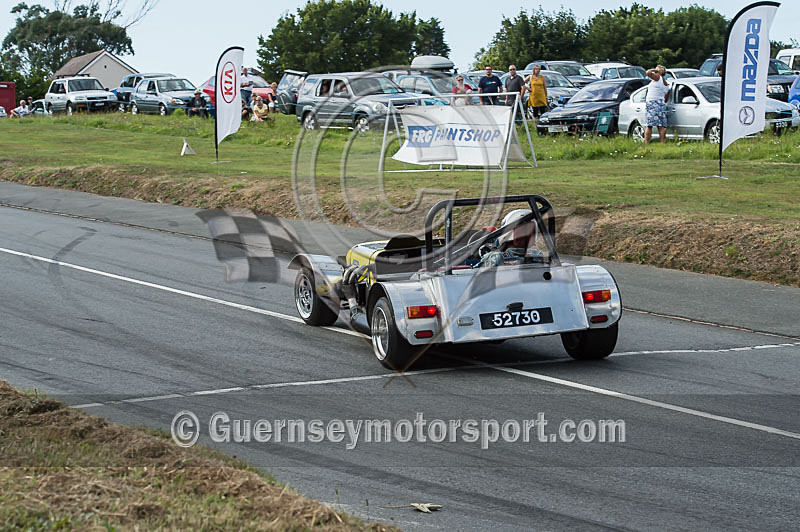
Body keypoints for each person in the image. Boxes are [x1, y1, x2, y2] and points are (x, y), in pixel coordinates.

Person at [644, 64, 670, 145]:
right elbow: (666, 98)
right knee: (661, 125)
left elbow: (647, 72)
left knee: (649, 125)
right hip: (661, 103)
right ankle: (663, 143)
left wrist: (654, 71)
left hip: (652, 103)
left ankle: (646, 143)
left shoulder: (657, 77)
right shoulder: (666, 83)